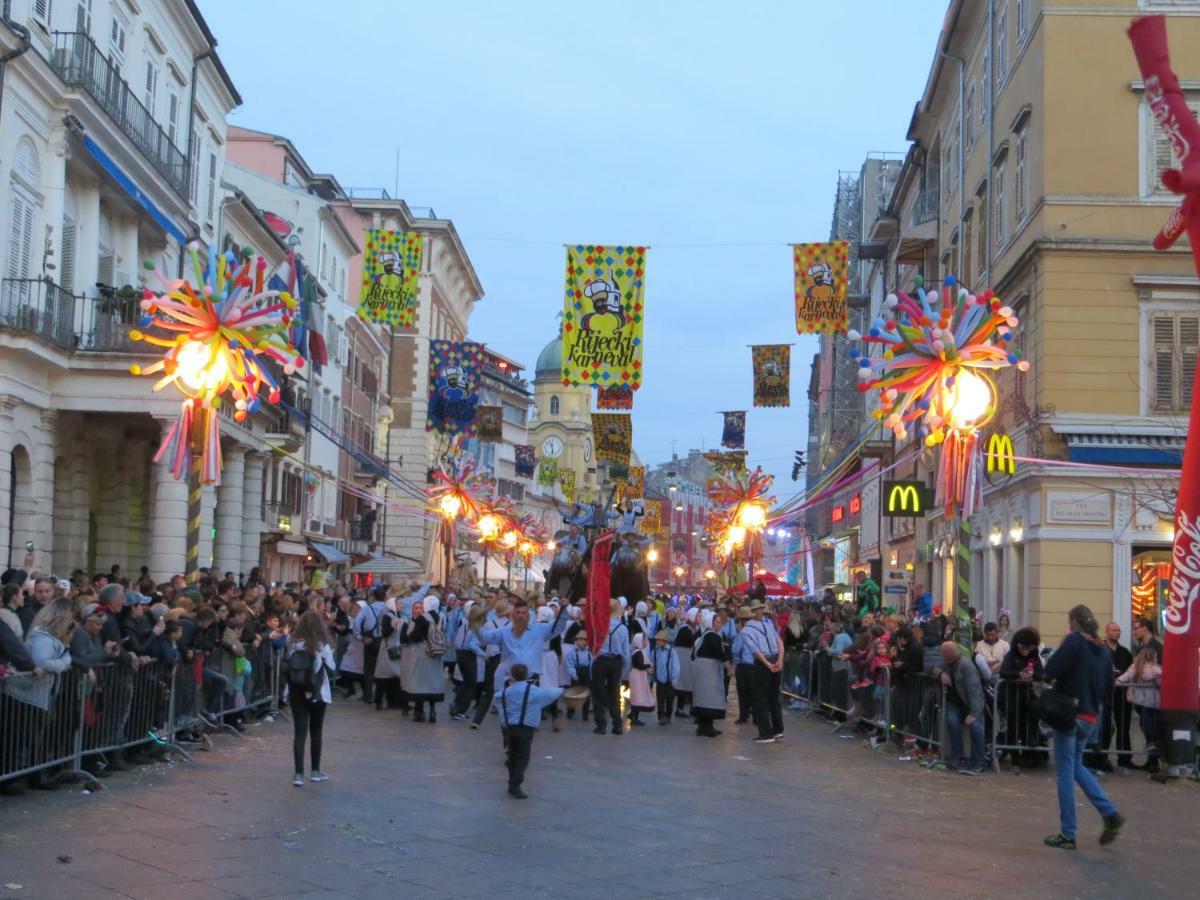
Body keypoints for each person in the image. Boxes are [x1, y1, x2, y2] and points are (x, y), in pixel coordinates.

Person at [1042, 605, 1124, 850]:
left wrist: (1064, 644)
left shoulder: (1075, 641)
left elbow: (1051, 670)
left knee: (1065, 769)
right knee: (1076, 764)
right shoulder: (1103, 648)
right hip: (1091, 715)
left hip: (1069, 712)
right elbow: (1109, 684)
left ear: (1074, 622)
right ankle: (1109, 812)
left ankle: (1068, 832)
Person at [493, 662, 563, 799]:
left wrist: (503, 717)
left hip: (510, 729)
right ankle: (515, 785)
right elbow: (552, 693)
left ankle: (511, 782)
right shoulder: (534, 691)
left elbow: (496, 698)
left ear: (511, 677)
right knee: (522, 757)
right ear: (526, 676)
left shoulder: (505, 692)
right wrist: (563, 690)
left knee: (512, 756)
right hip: (526, 730)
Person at [283, 611, 336, 787]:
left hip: (296, 690)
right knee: (316, 731)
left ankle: (298, 774)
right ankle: (315, 770)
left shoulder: (291, 643)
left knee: (299, 732)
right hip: (317, 692)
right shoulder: (322, 645)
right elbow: (331, 667)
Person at [998, 627, 1045, 769]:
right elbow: (1004, 672)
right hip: (1011, 695)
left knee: (1029, 725)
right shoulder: (1011, 655)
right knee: (1013, 726)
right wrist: (1019, 674)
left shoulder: (1034, 655)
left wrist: (1033, 675)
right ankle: (1015, 757)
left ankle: (1029, 754)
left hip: (1027, 695)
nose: (1025, 650)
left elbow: (1041, 673)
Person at [939, 641, 986, 775]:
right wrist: (941, 674)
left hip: (969, 703)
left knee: (976, 726)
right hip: (955, 702)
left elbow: (974, 690)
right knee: (952, 721)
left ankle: (978, 761)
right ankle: (958, 756)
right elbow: (935, 668)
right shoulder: (948, 663)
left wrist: (974, 712)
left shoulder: (966, 665)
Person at [400, 595, 446, 723]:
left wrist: (409, 635)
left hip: (423, 653)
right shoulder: (441, 617)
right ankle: (432, 711)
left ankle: (419, 712)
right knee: (433, 683)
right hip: (436, 653)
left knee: (420, 683)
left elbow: (415, 636)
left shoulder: (422, 618)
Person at [1116, 646, 1162, 773]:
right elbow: (1157, 679)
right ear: (1152, 656)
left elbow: (1126, 675)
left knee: (1148, 732)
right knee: (1153, 733)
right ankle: (1154, 760)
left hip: (1142, 703)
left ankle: (1152, 758)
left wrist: (1119, 680)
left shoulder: (1135, 667)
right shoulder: (1156, 669)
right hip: (1154, 704)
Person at [744, 600, 784, 743]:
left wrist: (769, 664)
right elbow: (779, 642)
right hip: (773, 660)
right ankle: (778, 730)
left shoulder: (747, 630)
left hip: (763, 663)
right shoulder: (768, 625)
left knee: (760, 698)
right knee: (774, 697)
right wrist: (779, 660)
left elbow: (755, 651)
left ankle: (766, 733)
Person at [1097, 622, 1134, 771]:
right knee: (1105, 726)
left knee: (1123, 726)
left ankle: (1124, 758)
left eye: (1119, 630)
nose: (1117, 632)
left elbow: (1130, 670)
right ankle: (1102, 756)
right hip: (1104, 694)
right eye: (1114, 630)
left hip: (1121, 694)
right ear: (1107, 632)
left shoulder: (1125, 652)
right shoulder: (1100, 649)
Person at [590, 599, 631, 735]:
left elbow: (593, 645)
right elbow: (626, 652)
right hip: (616, 662)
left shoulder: (598, 626)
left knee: (598, 692)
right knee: (615, 693)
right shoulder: (623, 629)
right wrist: (625, 669)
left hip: (600, 661)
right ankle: (617, 724)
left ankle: (601, 725)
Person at [691, 611, 727, 738]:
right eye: (717, 622)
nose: (720, 624)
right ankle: (708, 727)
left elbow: (693, 655)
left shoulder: (703, 635)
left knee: (702, 697)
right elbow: (720, 654)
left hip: (700, 670)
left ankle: (702, 726)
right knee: (711, 698)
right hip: (710, 671)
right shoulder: (714, 636)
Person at [731, 608, 755, 725]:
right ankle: (756, 717)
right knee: (754, 692)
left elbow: (735, 649)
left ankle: (743, 716)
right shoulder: (757, 631)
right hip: (755, 665)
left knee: (743, 692)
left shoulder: (742, 633)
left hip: (743, 665)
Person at [651, 630, 679, 725]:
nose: (657, 642)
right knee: (660, 699)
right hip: (660, 680)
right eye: (657, 640)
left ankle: (668, 715)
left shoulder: (672, 651)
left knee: (670, 699)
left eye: (659, 640)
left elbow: (676, 666)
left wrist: (674, 679)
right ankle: (661, 716)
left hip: (669, 680)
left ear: (664, 641)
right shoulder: (655, 651)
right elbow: (652, 663)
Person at [563, 629, 592, 721]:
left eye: (586, 640)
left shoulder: (589, 652)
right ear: (577, 640)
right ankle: (570, 711)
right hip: (577, 672)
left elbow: (592, 663)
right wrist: (573, 674)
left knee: (586, 694)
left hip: (586, 672)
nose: (585, 642)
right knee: (574, 692)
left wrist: (591, 675)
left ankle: (585, 714)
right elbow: (569, 664)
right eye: (582, 640)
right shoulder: (572, 652)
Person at [626, 633, 654, 727]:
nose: (646, 642)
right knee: (638, 696)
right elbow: (640, 665)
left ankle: (633, 715)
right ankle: (634, 718)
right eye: (644, 640)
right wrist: (649, 665)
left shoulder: (640, 652)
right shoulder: (638, 652)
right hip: (637, 676)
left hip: (639, 675)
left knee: (638, 695)